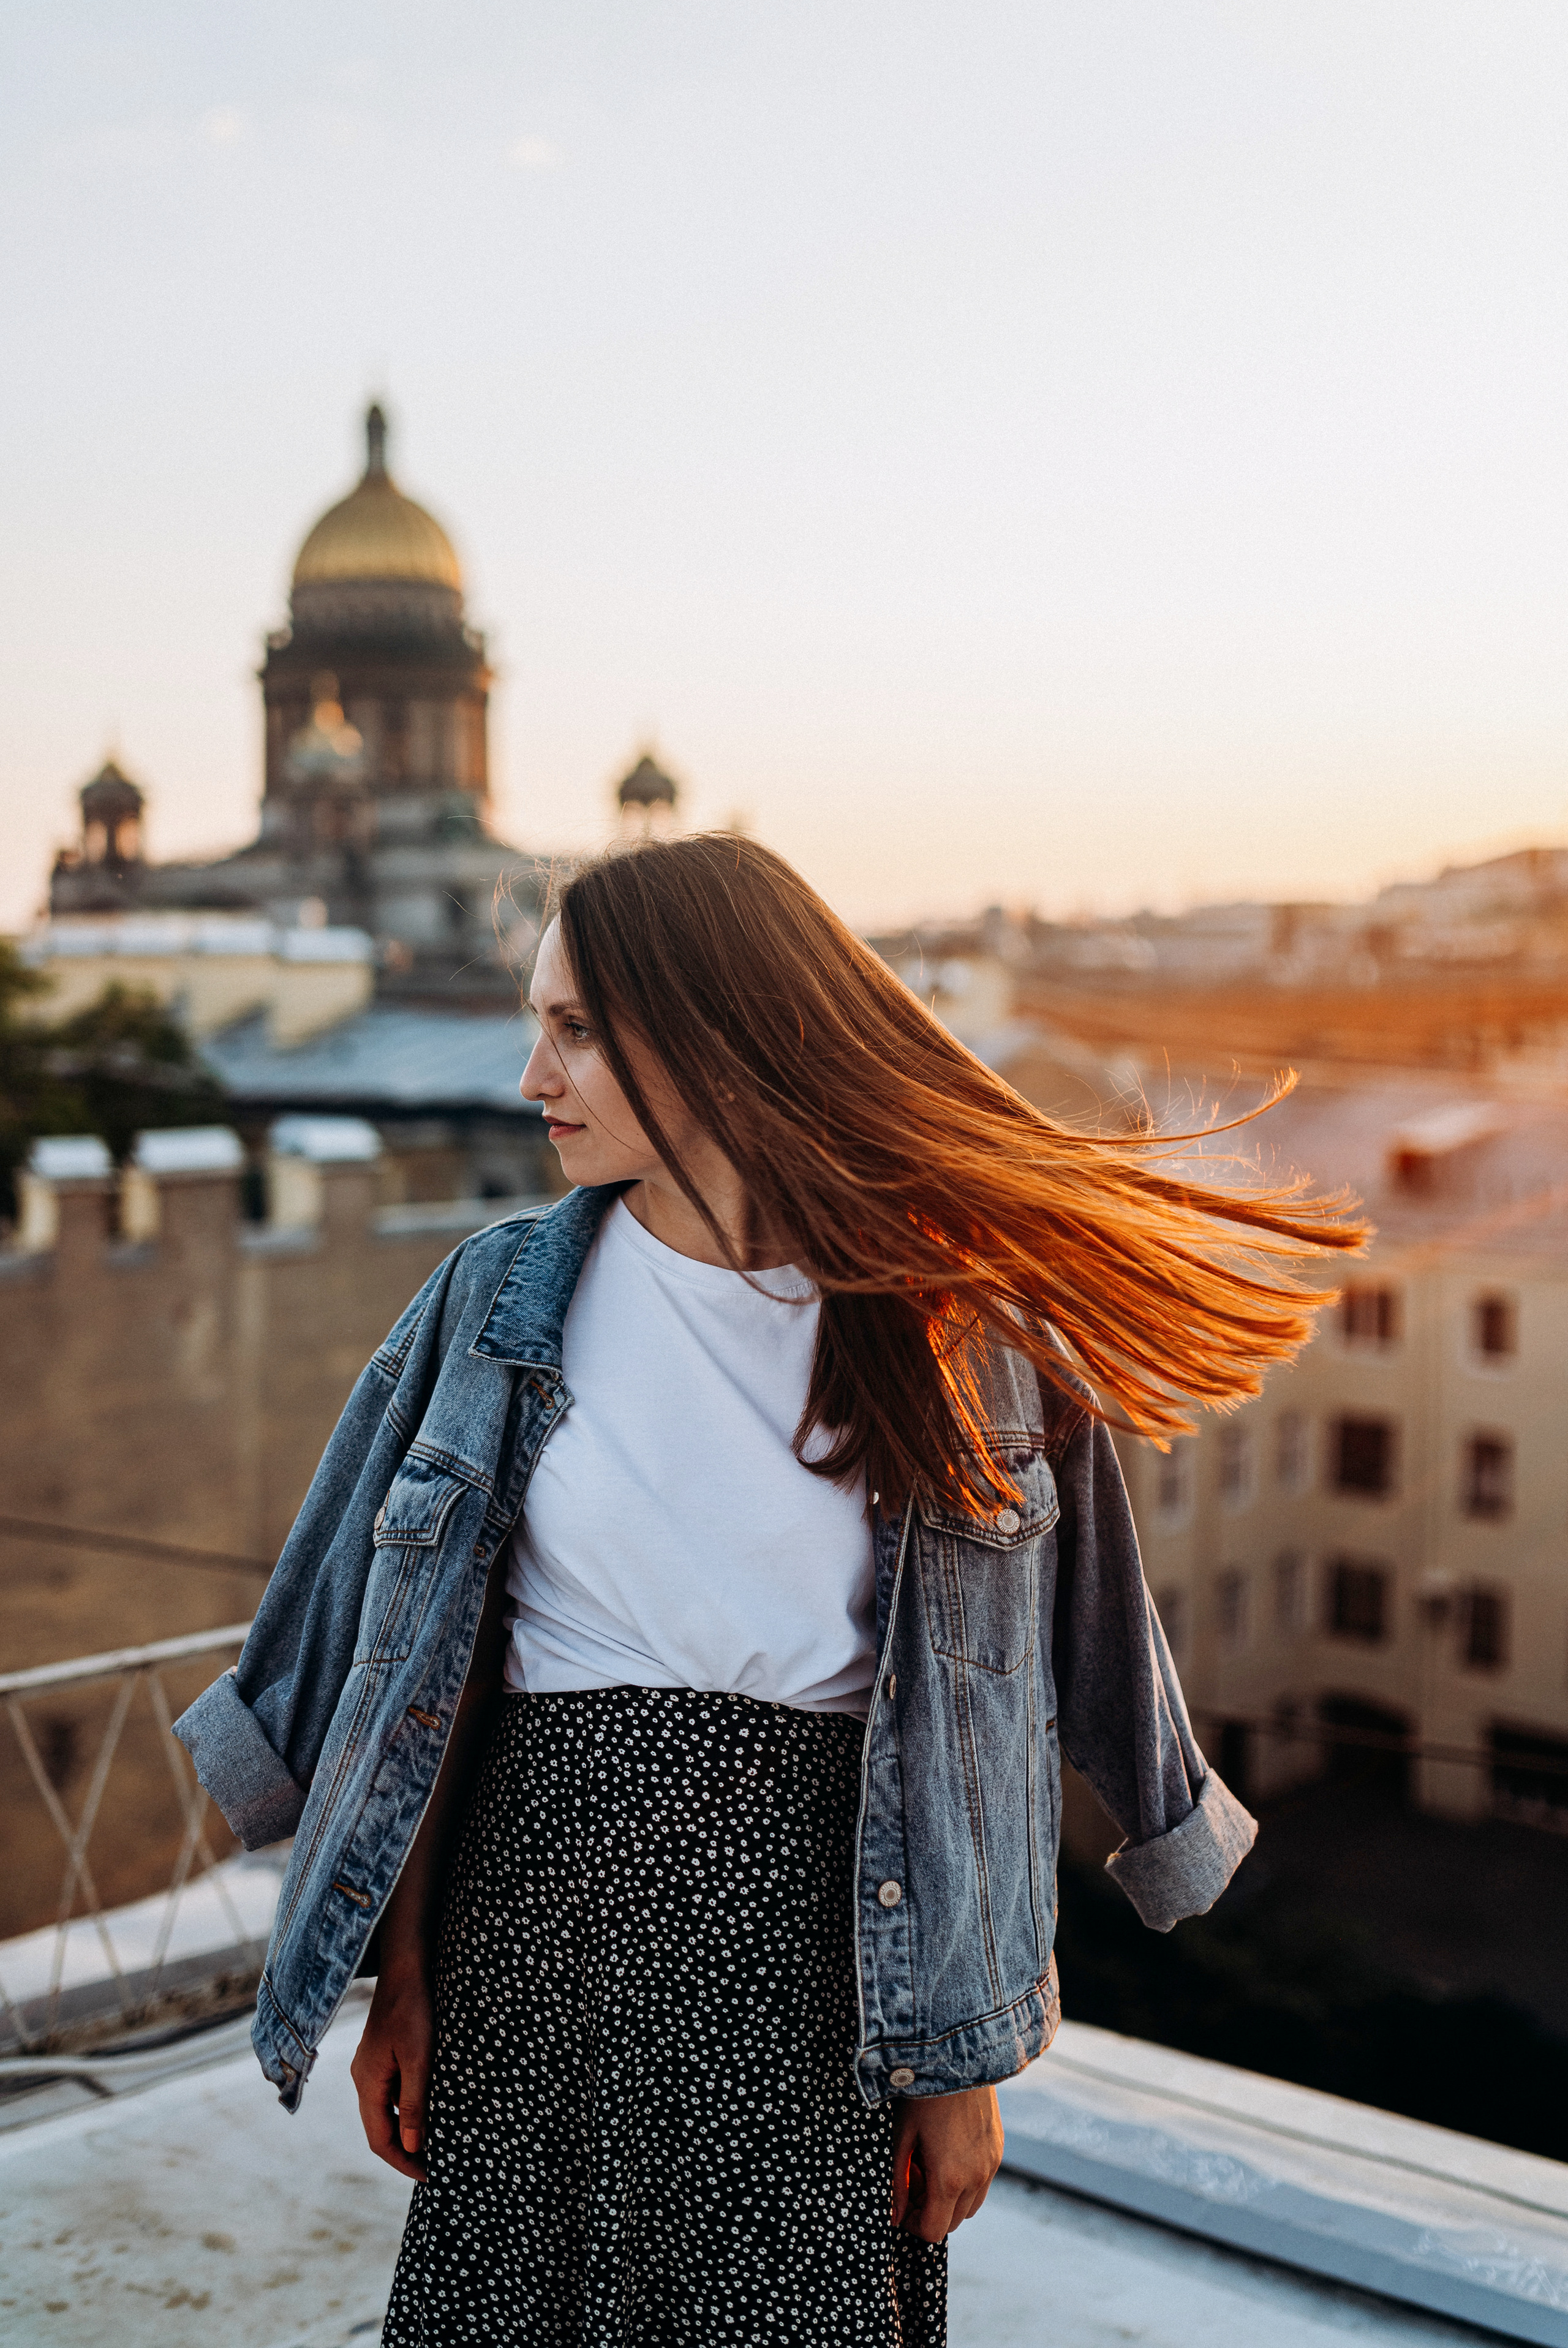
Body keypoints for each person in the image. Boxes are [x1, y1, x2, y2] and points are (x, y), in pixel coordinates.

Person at [176, 836, 1362, 2347]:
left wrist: (962, 2059)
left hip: (819, 1967)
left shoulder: (958, 1323)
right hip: (534, 1935)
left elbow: (1077, 1646)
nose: (531, 1072)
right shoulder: (491, 1300)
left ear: (716, 1029)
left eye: (578, 1030)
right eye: (538, 1022)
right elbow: (420, 1675)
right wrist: (396, 1979)